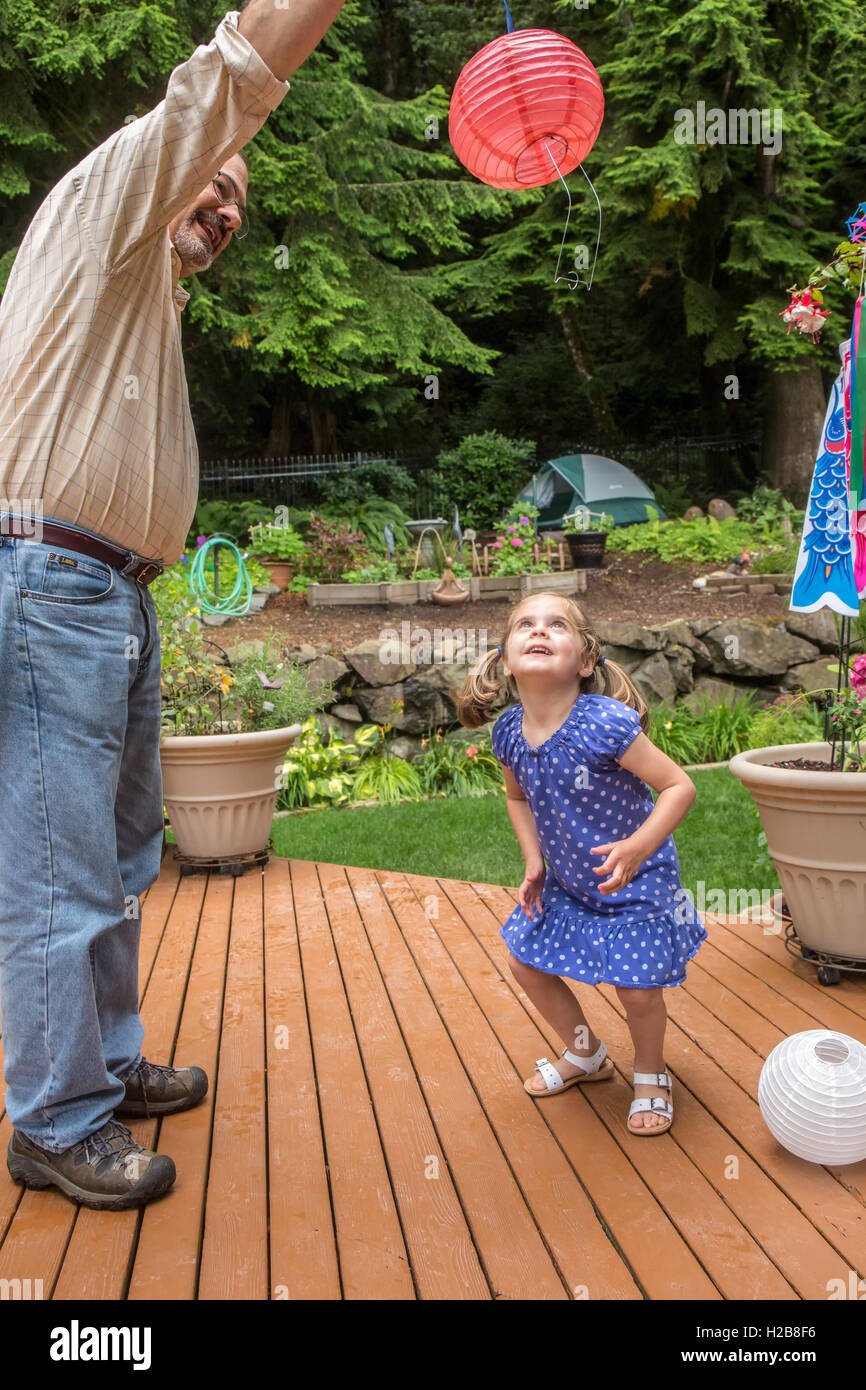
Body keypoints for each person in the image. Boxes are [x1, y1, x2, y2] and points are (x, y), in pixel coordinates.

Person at [0, 2, 344, 1211]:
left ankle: (96, 1062)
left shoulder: (141, 295)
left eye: (243, 201)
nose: (231, 205)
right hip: (51, 586)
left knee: (119, 853)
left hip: (106, 595)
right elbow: (230, 76)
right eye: (218, 179)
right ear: (166, 154)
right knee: (58, 868)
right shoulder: (106, 209)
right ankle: (52, 1121)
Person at [457, 592, 704, 1135]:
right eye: (525, 624)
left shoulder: (604, 723)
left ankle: (649, 1074)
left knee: (638, 989)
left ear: (586, 660)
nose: (539, 631)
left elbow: (678, 787)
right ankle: (586, 1053)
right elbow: (518, 798)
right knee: (525, 961)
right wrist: (532, 861)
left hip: (635, 877)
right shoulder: (508, 731)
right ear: (504, 657)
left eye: (556, 626)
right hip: (570, 879)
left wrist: (638, 846)